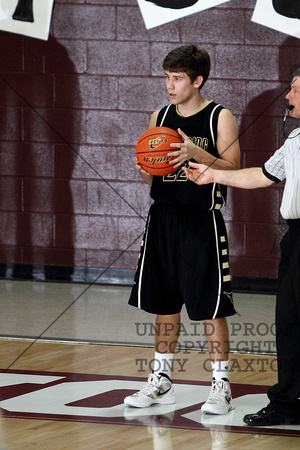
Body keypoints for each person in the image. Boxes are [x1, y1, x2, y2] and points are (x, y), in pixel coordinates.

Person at [124, 44, 240, 414]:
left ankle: (221, 385)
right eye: (167, 78)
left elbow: (235, 168)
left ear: (198, 80)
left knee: (210, 306)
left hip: (201, 220)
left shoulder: (219, 117)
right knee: (164, 301)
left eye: (177, 79)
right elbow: (149, 175)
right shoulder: (159, 116)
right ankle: (161, 381)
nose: (169, 85)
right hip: (163, 218)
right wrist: (145, 165)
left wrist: (196, 153)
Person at [183, 68, 300, 426]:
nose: (287, 96)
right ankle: (287, 402)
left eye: (295, 89)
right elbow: (262, 175)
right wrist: (212, 174)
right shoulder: (294, 140)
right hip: (296, 239)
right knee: (290, 323)